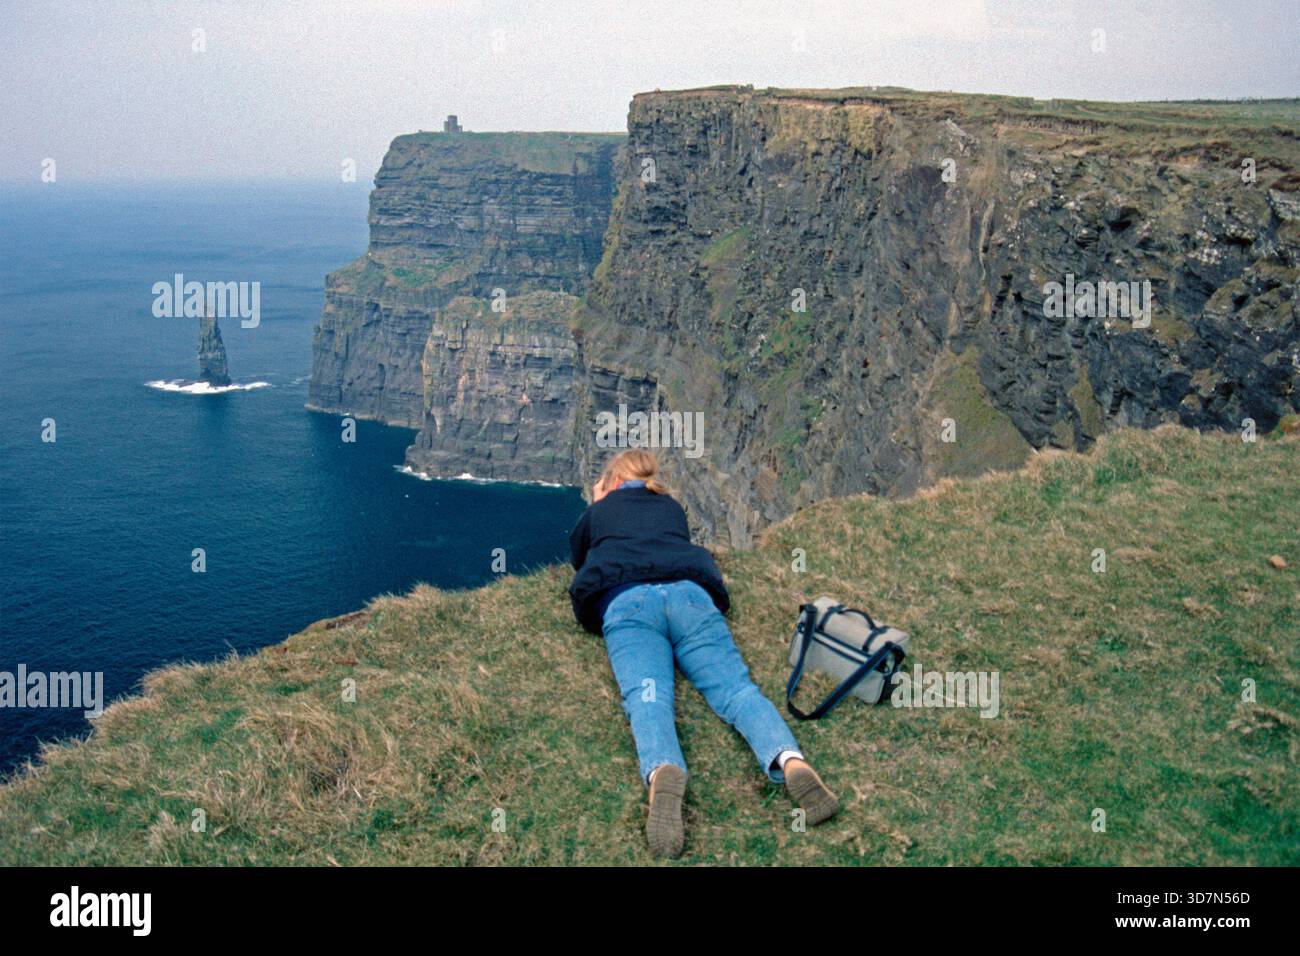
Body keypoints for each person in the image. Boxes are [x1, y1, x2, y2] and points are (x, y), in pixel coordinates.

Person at [568, 448, 839, 858]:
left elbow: (580, 556)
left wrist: (599, 502)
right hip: (690, 595)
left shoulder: (599, 511)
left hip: (629, 601)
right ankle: (790, 761)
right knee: (736, 690)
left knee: (648, 696)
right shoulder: (671, 506)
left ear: (612, 481)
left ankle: (664, 770)